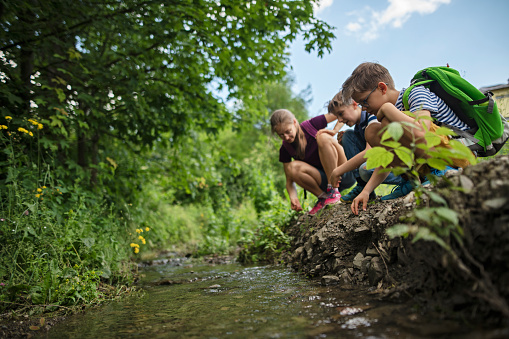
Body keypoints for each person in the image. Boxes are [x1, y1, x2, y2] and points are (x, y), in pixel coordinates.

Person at [341, 62, 471, 215]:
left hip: (457, 155)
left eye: (365, 101)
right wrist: (367, 190)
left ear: (382, 88)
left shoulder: (416, 94)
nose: (363, 108)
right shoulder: (393, 114)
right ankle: (413, 181)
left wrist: (388, 109)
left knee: (388, 123)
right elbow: (388, 156)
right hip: (430, 157)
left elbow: (422, 132)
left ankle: (443, 171)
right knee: (372, 131)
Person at [270, 109, 355, 215]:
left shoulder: (310, 126)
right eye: (281, 135)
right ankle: (323, 198)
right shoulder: (285, 149)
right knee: (292, 168)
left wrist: (335, 130)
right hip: (323, 180)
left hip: (344, 172)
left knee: (323, 136)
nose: (286, 137)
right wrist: (293, 197)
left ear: (295, 122)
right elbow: (289, 181)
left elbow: (341, 112)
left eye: (288, 131)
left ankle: (333, 190)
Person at [327, 91, 405, 203]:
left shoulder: (372, 116)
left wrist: (338, 171)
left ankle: (405, 178)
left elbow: (369, 151)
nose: (340, 120)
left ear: (354, 105)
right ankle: (362, 186)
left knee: (365, 170)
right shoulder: (358, 127)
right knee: (347, 136)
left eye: (341, 113)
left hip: (394, 162)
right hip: (381, 158)